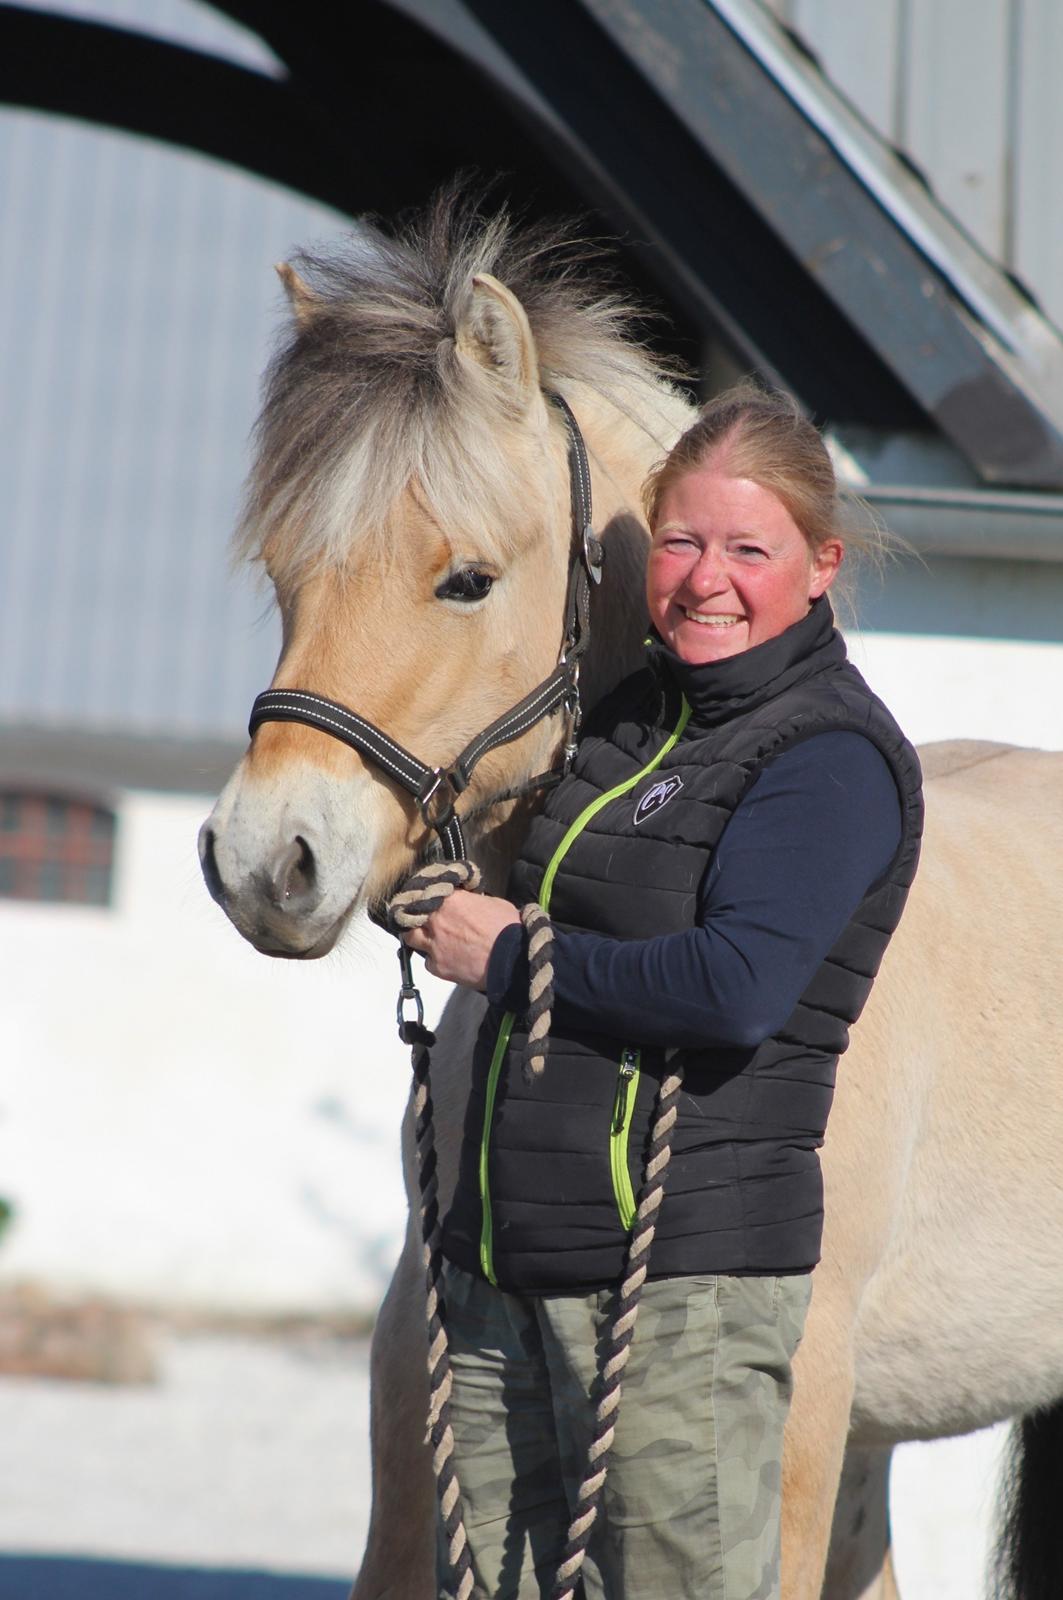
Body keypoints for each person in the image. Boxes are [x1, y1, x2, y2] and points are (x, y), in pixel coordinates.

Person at [402, 384, 923, 1600]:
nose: (705, 579)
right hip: (508, 1263)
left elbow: (736, 988)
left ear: (819, 565)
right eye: (682, 539)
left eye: (750, 548)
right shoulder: (636, 720)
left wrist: (512, 958)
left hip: (676, 1291)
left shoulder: (826, 756)